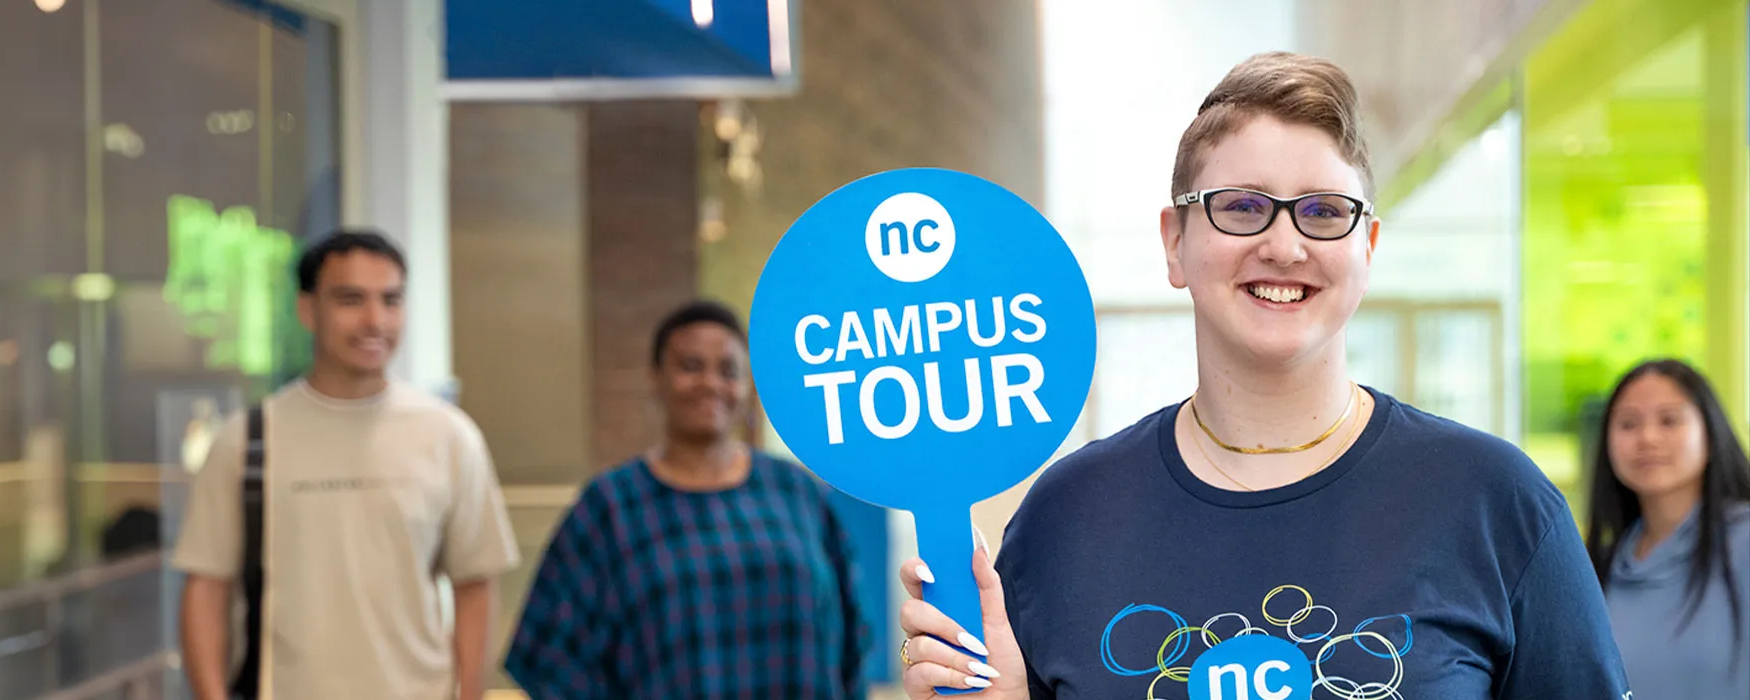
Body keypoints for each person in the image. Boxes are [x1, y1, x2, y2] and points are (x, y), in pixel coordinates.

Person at [891, 52, 1632, 699]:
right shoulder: (1065, 520)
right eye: (1242, 207)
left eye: (1324, 211)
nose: (1284, 243)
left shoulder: (1495, 504)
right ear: (1175, 242)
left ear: (1367, 248)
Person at [173, 230, 520, 700]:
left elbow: (475, 587)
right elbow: (207, 589)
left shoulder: (449, 438)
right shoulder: (248, 440)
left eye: (391, 300)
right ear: (307, 310)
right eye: (351, 300)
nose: (375, 320)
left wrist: (468, 695)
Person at [504, 299, 874, 698]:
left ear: (748, 386)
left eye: (728, 370)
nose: (710, 384)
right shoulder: (611, 508)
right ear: (656, 378)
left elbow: (853, 635)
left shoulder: (796, 493)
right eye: (690, 366)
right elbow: (548, 656)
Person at [1587, 358, 1750, 697]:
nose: (1648, 438)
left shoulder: (1743, 541)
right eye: (1628, 424)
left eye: (1669, 420)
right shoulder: (1595, 565)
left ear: (1710, 430)